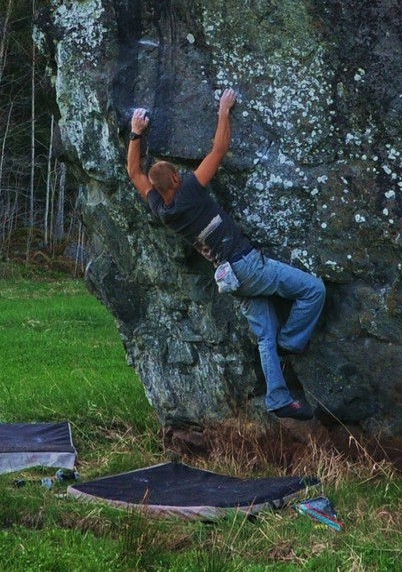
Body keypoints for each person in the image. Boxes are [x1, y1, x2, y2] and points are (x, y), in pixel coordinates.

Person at [127, 88, 326, 421]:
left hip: (230, 278)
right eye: (179, 174)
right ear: (176, 178)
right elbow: (219, 149)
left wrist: (136, 132)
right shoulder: (190, 191)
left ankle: (278, 399)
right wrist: (223, 110)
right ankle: (292, 341)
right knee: (313, 290)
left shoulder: (161, 208)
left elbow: (134, 173)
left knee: (265, 336)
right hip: (247, 266)